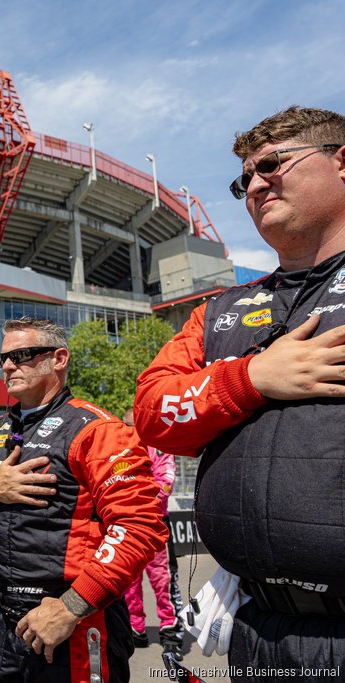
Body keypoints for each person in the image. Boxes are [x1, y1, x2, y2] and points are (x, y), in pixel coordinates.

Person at [135, 107, 345, 681]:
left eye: (273, 165)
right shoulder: (221, 311)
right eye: (244, 179)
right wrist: (250, 379)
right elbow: (152, 415)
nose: (254, 186)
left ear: (341, 162)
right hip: (258, 632)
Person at [0, 317, 167, 683]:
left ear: (58, 359)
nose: (8, 366)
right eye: (3, 359)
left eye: (22, 355)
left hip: (76, 623)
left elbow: (140, 528)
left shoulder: (98, 430)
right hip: (7, 626)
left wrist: (70, 607)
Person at [119, 409, 183, 660]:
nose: (130, 430)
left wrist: (134, 500)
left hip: (156, 524)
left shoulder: (160, 446)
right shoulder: (120, 449)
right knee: (129, 583)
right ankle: (136, 629)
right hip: (128, 525)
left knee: (163, 582)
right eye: (126, 425)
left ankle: (170, 631)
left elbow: (165, 482)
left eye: (134, 425)